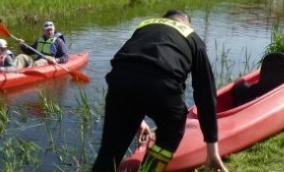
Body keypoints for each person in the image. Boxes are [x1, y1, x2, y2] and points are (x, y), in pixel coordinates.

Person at [92, 10, 229, 172]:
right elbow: (205, 94)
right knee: (172, 132)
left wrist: (135, 119)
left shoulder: (145, 28)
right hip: (163, 85)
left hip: (119, 81)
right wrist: (212, 147)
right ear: (186, 23)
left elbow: (132, 68)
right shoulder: (192, 37)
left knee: (110, 150)